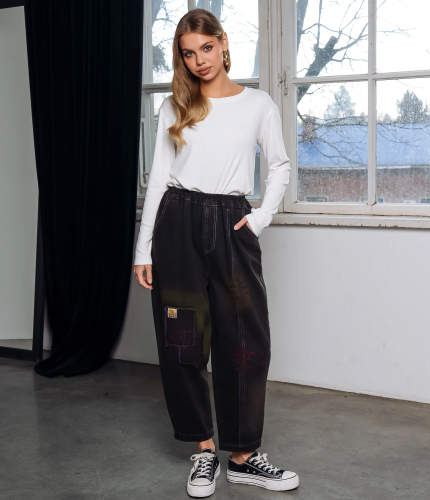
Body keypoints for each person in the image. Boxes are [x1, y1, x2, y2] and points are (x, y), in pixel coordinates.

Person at [133, 8, 299, 498]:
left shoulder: (258, 104)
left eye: (206, 48)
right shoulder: (175, 106)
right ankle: (204, 450)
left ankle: (243, 457)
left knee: (246, 338)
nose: (199, 60)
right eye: (188, 53)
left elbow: (280, 166)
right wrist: (143, 249)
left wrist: (260, 218)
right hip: (177, 224)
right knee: (183, 340)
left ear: (223, 43)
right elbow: (159, 179)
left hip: (231, 223)